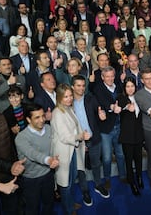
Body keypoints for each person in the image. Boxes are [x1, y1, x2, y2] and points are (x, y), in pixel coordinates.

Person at [51, 84, 90, 215]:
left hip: (72, 150)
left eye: (70, 96)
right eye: (65, 96)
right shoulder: (57, 113)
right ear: (59, 97)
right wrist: (81, 136)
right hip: (63, 153)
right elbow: (64, 137)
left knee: (71, 179)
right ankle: (68, 209)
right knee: (65, 183)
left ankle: (70, 203)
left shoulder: (68, 108)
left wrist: (80, 137)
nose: (69, 99)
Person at [72, 75, 110, 206]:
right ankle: (85, 190)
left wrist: (102, 115)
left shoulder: (90, 98)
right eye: (78, 85)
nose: (82, 88)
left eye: (83, 85)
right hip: (77, 141)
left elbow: (99, 111)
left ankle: (98, 184)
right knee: (81, 169)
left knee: (96, 164)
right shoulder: (67, 103)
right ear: (72, 86)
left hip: (94, 138)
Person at [15, 103, 59, 215]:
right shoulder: (21, 137)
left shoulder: (49, 129)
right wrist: (49, 160)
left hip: (48, 175)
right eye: (37, 117)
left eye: (43, 116)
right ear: (28, 120)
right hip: (31, 179)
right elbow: (32, 154)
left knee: (49, 203)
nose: (42, 120)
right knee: (32, 207)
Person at [93, 66, 126, 187]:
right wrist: (112, 107)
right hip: (106, 129)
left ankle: (123, 176)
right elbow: (103, 102)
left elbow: (123, 101)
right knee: (106, 157)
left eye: (112, 76)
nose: (110, 78)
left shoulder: (118, 86)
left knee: (120, 154)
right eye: (107, 76)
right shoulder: (98, 89)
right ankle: (107, 178)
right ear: (102, 77)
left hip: (119, 126)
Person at [117, 77, 144, 196]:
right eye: (127, 86)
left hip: (138, 134)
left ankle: (139, 177)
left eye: (132, 86)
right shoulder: (121, 98)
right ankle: (131, 181)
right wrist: (128, 107)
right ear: (124, 88)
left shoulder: (139, 97)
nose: (130, 88)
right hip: (127, 136)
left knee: (138, 159)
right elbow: (122, 106)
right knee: (128, 160)